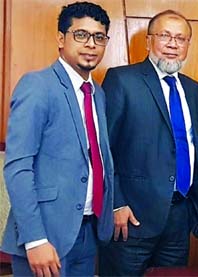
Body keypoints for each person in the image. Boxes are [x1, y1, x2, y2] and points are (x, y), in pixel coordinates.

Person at [1, 2, 114, 276]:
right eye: (81, 35)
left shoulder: (97, 94)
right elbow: (18, 167)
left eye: (99, 37)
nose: (91, 44)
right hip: (46, 235)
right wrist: (35, 238)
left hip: (88, 231)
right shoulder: (38, 85)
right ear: (61, 39)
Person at [97, 10, 198, 276]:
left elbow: (195, 147)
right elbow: (105, 149)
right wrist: (116, 203)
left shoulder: (193, 89)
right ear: (149, 41)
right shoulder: (122, 80)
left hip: (179, 217)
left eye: (181, 39)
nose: (173, 44)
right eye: (165, 36)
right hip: (131, 218)